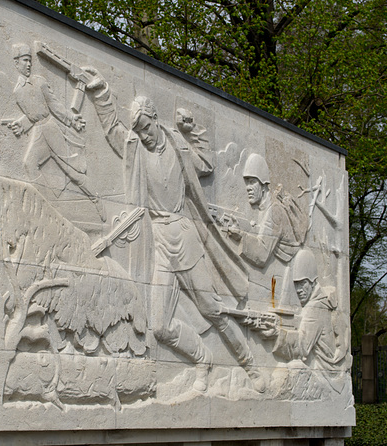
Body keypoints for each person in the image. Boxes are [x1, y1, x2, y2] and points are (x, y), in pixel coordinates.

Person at [84, 69, 265, 392]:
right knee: (159, 327)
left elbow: (207, 164)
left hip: (187, 239)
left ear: (155, 119)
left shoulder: (178, 145)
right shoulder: (136, 147)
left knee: (213, 310)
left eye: (146, 128)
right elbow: (113, 130)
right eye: (138, 131)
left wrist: (192, 129)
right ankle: (202, 360)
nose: (143, 135)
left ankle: (251, 366)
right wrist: (100, 93)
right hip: (160, 246)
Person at [7, 44, 104, 220]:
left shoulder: (39, 82)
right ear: (16, 63)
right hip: (38, 132)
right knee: (29, 165)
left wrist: (71, 119)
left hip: (51, 129)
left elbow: (53, 105)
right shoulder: (17, 91)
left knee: (71, 170)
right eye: (25, 61)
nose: (28, 64)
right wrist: (20, 125)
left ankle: (95, 198)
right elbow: (32, 115)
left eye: (30, 60)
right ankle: (50, 206)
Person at [262, 249, 343, 370]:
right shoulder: (320, 302)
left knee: (289, 369)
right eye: (296, 284)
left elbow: (301, 348)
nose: (299, 289)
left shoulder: (316, 307)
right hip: (326, 373)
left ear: (313, 282)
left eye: (303, 283)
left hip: (325, 374)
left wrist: (276, 334)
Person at [224, 154, 300, 268]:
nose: (248, 187)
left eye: (252, 182)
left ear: (263, 184)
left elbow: (262, 254)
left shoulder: (275, 210)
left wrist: (240, 235)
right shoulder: (265, 208)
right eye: (246, 182)